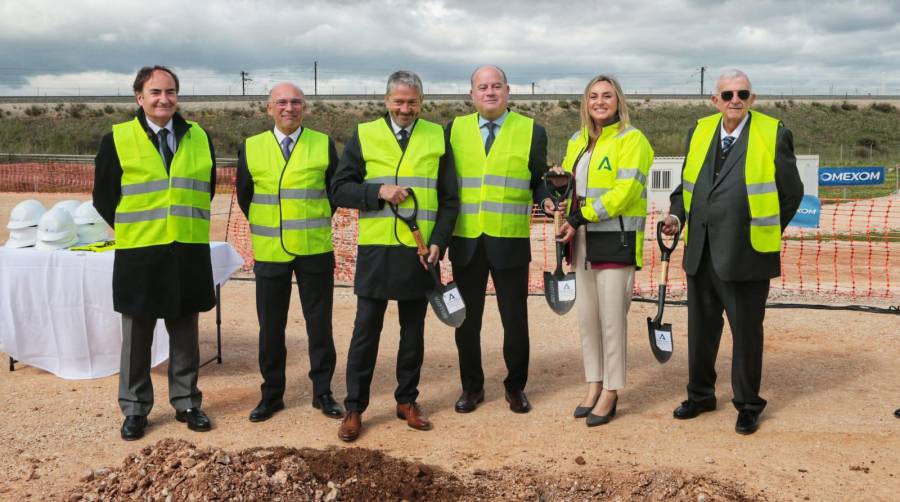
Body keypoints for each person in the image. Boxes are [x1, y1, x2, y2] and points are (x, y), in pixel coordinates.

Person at [663, 69, 803, 435]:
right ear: (715, 100)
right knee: (701, 331)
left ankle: (748, 403)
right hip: (701, 251)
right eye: (727, 95)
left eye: (742, 93)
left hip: (747, 255)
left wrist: (763, 231)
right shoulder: (699, 130)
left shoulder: (774, 133)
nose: (735, 100)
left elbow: (791, 193)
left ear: (752, 98)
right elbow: (686, 185)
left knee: (746, 334)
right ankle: (700, 395)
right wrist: (676, 217)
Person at [331, 70, 459, 442]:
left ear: (422, 102)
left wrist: (438, 241)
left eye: (412, 102)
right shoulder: (364, 134)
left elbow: (450, 199)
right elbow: (340, 189)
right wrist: (378, 191)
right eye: (399, 101)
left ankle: (407, 401)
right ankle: (354, 407)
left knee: (413, 332)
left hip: (419, 253)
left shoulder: (437, 136)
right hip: (376, 250)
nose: (406, 108)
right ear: (386, 101)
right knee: (365, 332)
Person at [93, 65, 217, 440]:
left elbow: (205, 188)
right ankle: (134, 409)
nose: (164, 99)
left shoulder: (198, 136)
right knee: (137, 338)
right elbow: (104, 198)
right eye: (155, 92)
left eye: (171, 92)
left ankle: (187, 402)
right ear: (139, 97)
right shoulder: (116, 138)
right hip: (140, 253)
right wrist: (140, 226)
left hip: (186, 249)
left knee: (184, 333)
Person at [235, 83, 343, 423]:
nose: (289, 107)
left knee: (319, 325)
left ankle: (322, 391)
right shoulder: (251, 147)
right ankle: (272, 394)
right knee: (271, 327)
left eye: (296, 102)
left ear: (305, 108)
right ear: (269, 108)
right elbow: (245, 196)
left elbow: (334, 192)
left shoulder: (323, 144)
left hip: (314, 249)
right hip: (270, 251)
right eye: (281, 102)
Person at [447, 65, 548, 414]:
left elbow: (539, 179)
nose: (489, 92)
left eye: (496, 86)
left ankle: (515, 386)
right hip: (466, 240)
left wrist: (548, 195)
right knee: (466, 321)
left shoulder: (532, 131)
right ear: (472, 93)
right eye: (482, 87)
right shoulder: (453, 130)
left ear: (508, 91)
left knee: (515, 319)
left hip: (509, 240)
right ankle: (471, 388)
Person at [553, 75, 653, 426]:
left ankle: (612, 390)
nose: (599, 102)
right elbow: (568, 187)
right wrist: (559, 203)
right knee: (588, 320)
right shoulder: (577, 140)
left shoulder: (632, 139)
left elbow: (625, 192)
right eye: (593, 96)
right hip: (581, 243)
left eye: (607, 96)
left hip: (616, 241)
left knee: (612, 322)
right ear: (586, 102)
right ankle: (593, 383)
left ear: (618, 100)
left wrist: (582, 215)